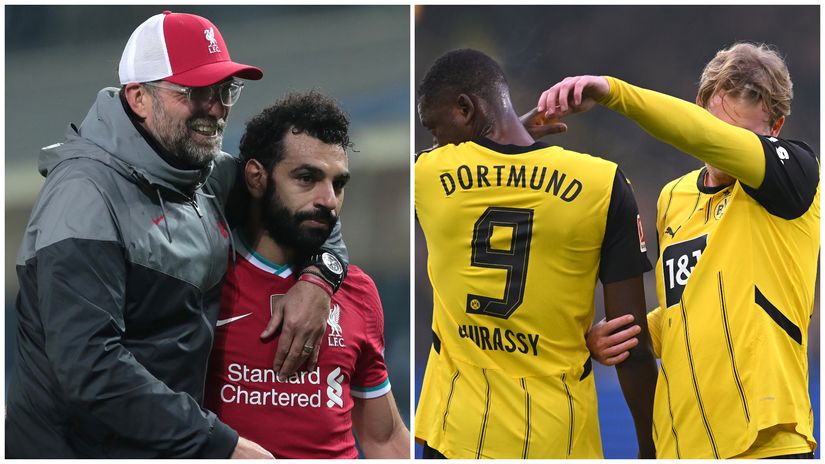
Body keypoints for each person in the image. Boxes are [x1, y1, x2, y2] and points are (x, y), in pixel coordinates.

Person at [6, 11, 346, 458]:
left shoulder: (204, 174)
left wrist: (320, 279)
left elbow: (309, 208)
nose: (216, 108)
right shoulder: (84, 196)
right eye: (195, 92)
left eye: (225, 90)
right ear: (139, 98)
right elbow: (89, 367)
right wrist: (220, 445)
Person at [535, 42, 819, 459]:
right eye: (715, 126)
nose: (720, 147)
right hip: (681, 444)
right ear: (698, 108)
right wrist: (623, 335)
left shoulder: (796, 176)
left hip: (765, 441)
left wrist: (613, 91)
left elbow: (700, 136)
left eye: (738, 137)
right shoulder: (674, 198)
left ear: (775, 127)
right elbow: (686, 307)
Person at [414, 48, 658, 459]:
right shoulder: (603, 184)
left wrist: (504, 140)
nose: (437, 143)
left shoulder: (429, 174)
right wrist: (651, 449)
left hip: (457, 435)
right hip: (559, 437)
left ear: (465, 109)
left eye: (435, 129)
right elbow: (629, 343)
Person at [203, 91, 410, 459]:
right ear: (256, 178)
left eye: (338, 184)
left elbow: (384, 437)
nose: (328, 200)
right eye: (306, 178)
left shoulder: (357, 290)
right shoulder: (205, 278)